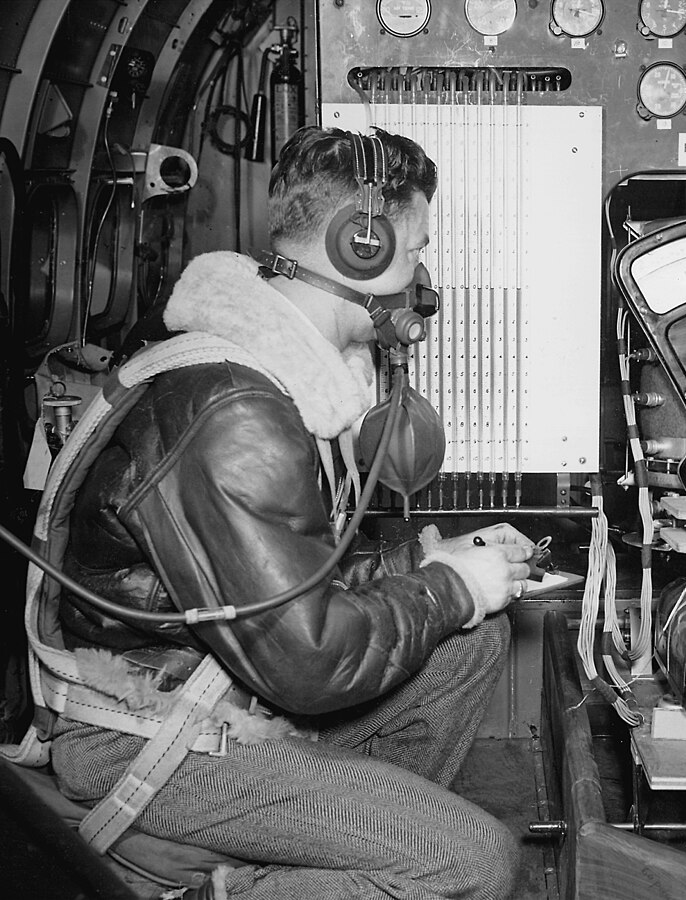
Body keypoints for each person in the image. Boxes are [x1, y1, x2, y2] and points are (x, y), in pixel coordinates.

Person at [44, 125, 534, 899]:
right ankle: (238, 885)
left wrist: (431, 565)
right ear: (360, 246)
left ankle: (340, 848)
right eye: (413, 250)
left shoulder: (270, 374)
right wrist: (452, 588)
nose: (420, 276)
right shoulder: (235, 409)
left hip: (224, 685)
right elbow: (310, 664)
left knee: (469, 641)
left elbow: (285, 572)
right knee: (473, 861)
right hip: (153, 728)